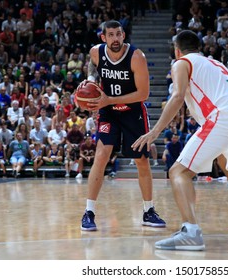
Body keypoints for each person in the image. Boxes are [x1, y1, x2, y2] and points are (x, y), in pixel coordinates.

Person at [131, 30, 228, 251]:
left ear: (177, 50)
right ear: (199, 48)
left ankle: (190, 232)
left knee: (178, 171)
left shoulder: (181, 63)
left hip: (227, 116)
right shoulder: (216, 63)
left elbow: (177, 97)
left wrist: (154, 132)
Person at [79, 20, 166, 231]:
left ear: (123, 35)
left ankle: (148, 210)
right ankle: (89, 212)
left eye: (118, 34)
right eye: (111, 35)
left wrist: (108, 100)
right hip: (108, 113)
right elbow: (92, 64)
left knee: (141, 161)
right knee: (101, 156)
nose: (115, 39)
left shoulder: (136, 57)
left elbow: (143, 94)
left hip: (132, 112)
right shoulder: (96, 52)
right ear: (104, 38)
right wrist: (91, 79)